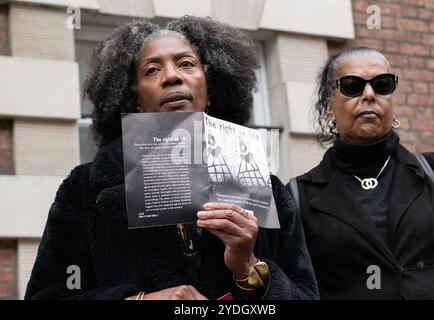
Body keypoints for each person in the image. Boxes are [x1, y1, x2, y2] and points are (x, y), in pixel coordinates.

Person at [25, 16, 318, 300]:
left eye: (186, 64)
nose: (172, 76)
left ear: (210, 89)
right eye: (152, 70)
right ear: (135, 99)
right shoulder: (83, 190)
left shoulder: (266, 191)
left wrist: (249, 268)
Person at [289, 46, 434, 299]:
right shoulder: (300, 197)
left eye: (382, 84)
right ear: (329, 107)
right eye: (352, 86)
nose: (369, 94)